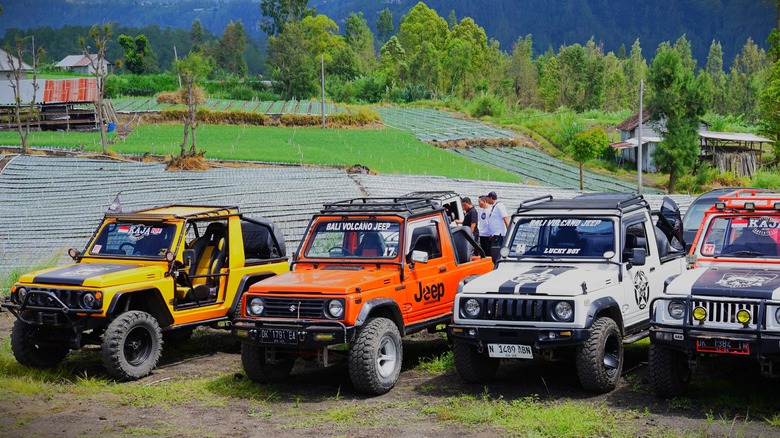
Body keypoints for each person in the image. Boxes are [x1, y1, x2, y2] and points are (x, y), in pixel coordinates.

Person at [485, 191, 510, 263]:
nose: (487, 200)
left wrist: (509, 231)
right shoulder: (493, 207)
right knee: (493, 252)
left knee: (496, 253)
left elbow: (505, 218)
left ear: (490, 198)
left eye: (487, 198)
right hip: (494, 234)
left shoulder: (499, 205)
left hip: (499, 234)